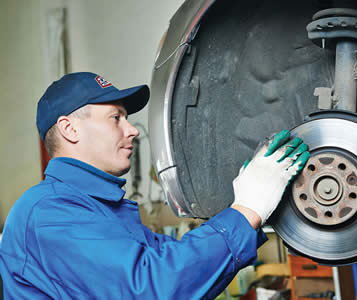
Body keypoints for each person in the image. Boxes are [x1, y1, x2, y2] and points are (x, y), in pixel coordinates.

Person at [0, 72, 310, 299]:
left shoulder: (96, 208)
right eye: (116, 118)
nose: (133, 130)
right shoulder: (48, 214)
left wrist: (250, 206)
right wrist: (246, 211)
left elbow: (177, 266)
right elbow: (150, 288)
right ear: (70, 129)